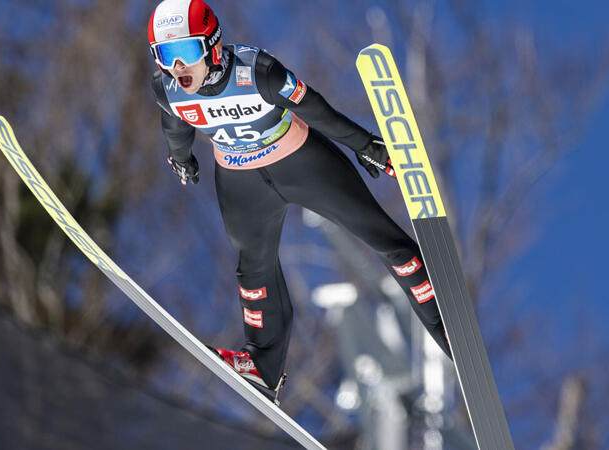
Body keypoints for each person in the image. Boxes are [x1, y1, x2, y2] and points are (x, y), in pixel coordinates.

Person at [148, 0, 451, 402]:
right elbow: (175, 125)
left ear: (213, 45)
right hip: (241, 182)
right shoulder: (166, 87)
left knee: (385, 240)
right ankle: (263, 366)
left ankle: (447, 331)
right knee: (253, 271)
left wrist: (365, 145)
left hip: (301, 162)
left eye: (184, 53)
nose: (177, 68)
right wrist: (181, 159)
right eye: (165, 56)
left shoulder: (259, 72)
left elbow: (317, 110)